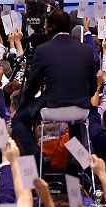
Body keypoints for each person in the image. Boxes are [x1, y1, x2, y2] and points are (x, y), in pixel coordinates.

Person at [12, 10, 96, 156]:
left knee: (19, 120)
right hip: (81, 108)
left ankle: (40, 157)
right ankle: (80, 164)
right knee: (75, 123)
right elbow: (93, 86)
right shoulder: (87, 50)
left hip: (53, 107)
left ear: (48, 27)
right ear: (69, 27)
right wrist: (81, 99)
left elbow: (32, 86)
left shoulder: (43, 50)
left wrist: (21, 107)